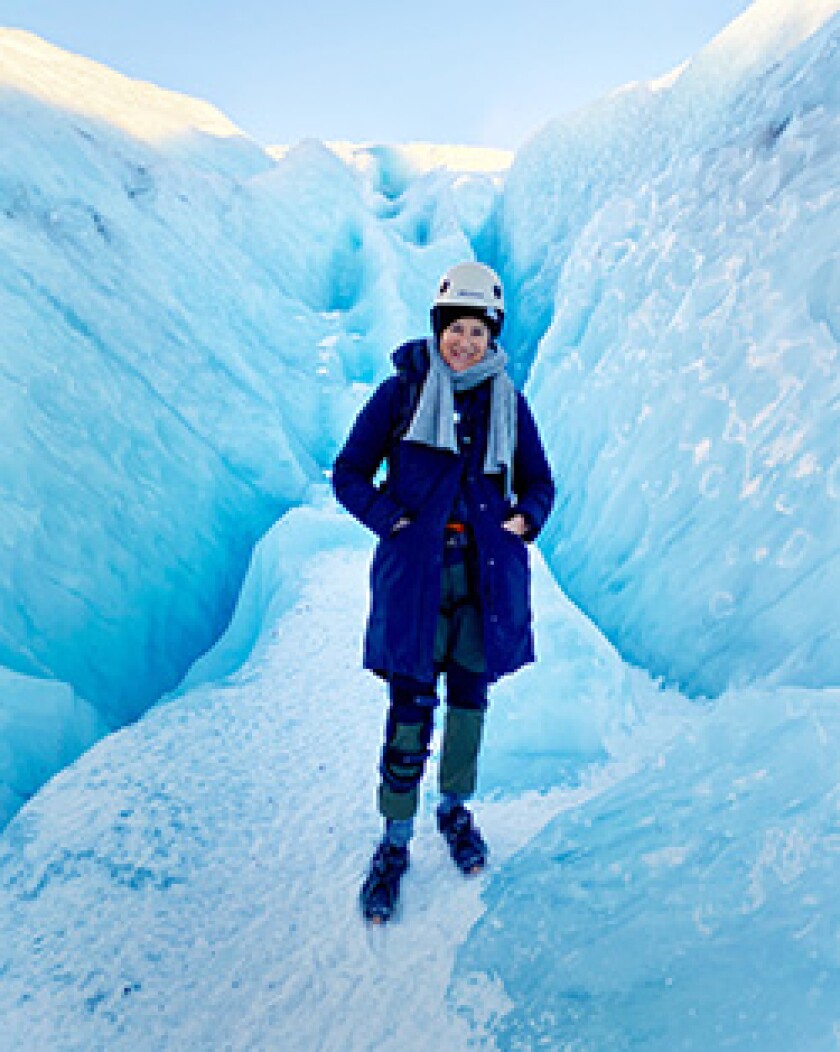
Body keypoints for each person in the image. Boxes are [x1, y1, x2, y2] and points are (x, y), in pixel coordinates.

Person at [332, 261, 555, 923]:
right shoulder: (400, 394)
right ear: (438, 328)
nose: (465, 343)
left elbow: (540, 482)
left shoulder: (507, 402)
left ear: (491, 339)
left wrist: (525, 520)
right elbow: (347, 473)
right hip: (415, 576)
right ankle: (395, 840)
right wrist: (390, 520)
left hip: (485, 576)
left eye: (477, 332)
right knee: (410, 705)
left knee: (469, 705)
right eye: (455, 328)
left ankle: (455, 812)